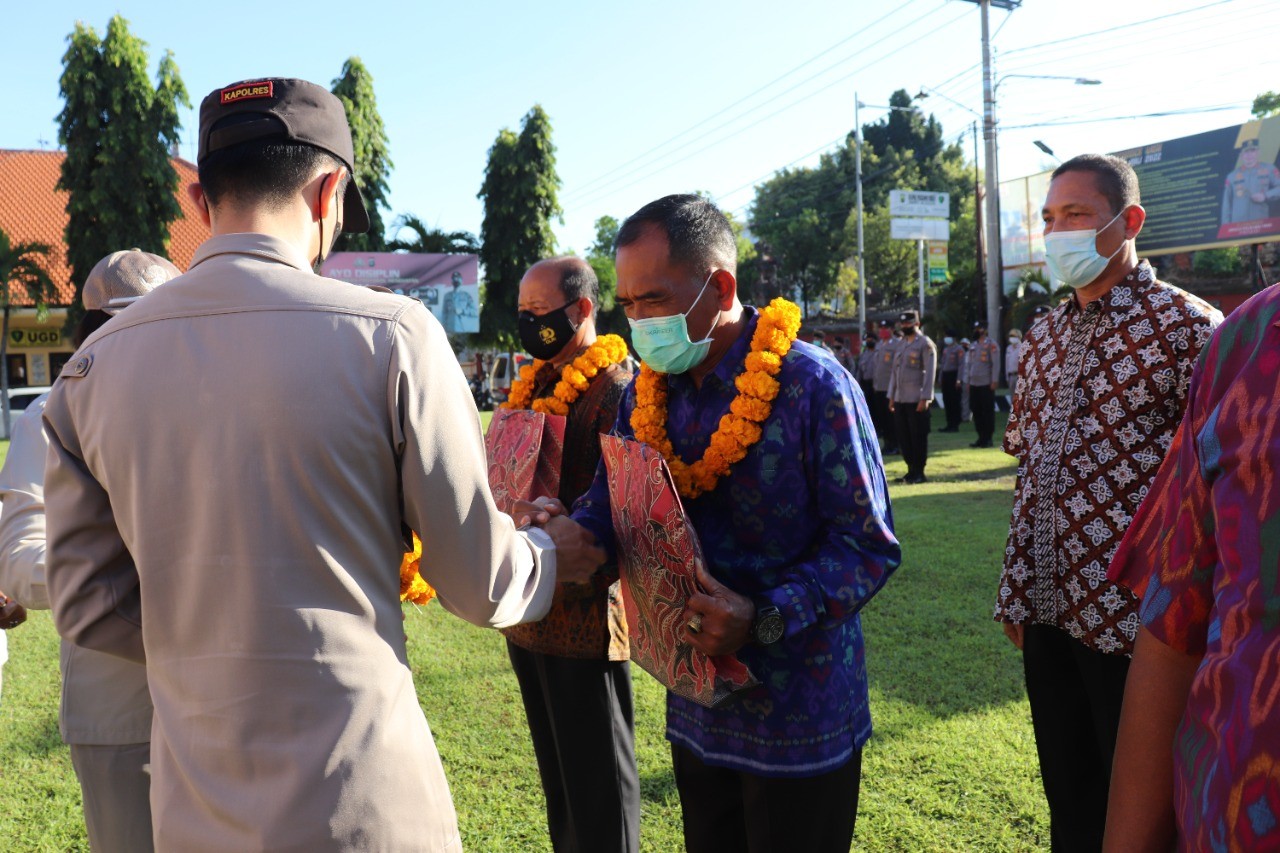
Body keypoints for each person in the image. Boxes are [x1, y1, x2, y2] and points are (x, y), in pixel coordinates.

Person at [42, 77, 602, 852]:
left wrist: (212, 635)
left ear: (200, 199)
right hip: (363, 801)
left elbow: (85, 600)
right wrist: (549, 550)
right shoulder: (393, 336)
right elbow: (477, 580)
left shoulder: (91, 369)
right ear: (330, 190)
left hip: (196, 806)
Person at [532, 194, 900, 853]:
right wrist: (567, 533)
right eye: (628, 304)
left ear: (720, 287)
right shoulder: (645, 392)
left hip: (800, 716)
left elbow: (866, 546)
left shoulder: (814, 386)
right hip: (698, 709)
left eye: (654, 299)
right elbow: (612, 499)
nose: (639, 321)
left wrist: (762, 615)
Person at [993, 153, 1220, 852]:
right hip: (1049, 607)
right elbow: (1031, 469)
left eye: (1077, 215)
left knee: (1144, 813)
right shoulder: (1041, 335)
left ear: (1130, 221)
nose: (1056, 232)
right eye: (1048, 218)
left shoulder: (1191, 328)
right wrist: (1016, 587)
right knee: (1070, 794)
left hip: (1143, 623)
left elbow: (1219, 488)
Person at [0, 248, 180, 852]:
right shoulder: (48, 416)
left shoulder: (207, 406)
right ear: (97, 332)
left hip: (224, 694)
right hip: (120, 707)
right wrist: (137, 574)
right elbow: (19, 559)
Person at [1103, 282, 1280, 852]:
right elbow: (1172, 629)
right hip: (1081, 598)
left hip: (1113, 615)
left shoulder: (1188, 322)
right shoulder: (1250, 341)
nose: (1058, 238)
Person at [503, 256, 639, 853]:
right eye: (522, 312)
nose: (529, 324)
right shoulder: (533, 383)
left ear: (582, 308)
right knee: (559, 781)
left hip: (588, 620)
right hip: (529, 607)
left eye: (539, 311)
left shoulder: (618, 388)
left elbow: (624, 499)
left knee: (598, 785)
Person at [887, 310, 937, 484]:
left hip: (916, 398)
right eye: (903, 324)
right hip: (900, 398)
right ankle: (910, 470)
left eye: (908, 323)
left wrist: (926, 398)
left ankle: (919, 472)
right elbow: (895, 372)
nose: (905, 326)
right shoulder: (901, 344)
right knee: (904, 437)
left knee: (918, 436)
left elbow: (930, 372)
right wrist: (891, 396)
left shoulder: (925, 344)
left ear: (917, 324)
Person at [1220, 137, 1280, 225]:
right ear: (1241, 155)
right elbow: (1226, 204)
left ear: (1258, 152)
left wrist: (1265, 195)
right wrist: (1225, 225)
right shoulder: (1231, 176)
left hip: (1261, 224)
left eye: (1253, 151)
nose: (1249, 155)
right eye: (1246, 152)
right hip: (1238, 226)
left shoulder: (1269, 169)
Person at [966, 321, 999, 448]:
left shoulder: (991, 344)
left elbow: (995, 364)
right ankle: (980, 437)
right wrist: (968, 380)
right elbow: (969, 364)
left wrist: (994, 380)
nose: (976, 331)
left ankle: (988, 438)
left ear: (984, 330)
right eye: (975, 328)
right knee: (976, 410)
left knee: (987, 411)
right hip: (974, 383)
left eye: (978, 328)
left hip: (986, 383)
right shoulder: (973, 345)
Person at [872, 322, 902, 455]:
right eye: (881, 328)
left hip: (890, 388)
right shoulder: (879, 345)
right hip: (879, 387)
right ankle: (887, 444)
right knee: (883, 419)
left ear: (892, 329)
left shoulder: (897, 344)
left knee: (892, 419)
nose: (882, 331)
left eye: (885, 328)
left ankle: (896, 444)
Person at [938, 329, 963, 432]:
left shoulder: (959, 349)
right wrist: (940, 378)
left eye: (948, 336)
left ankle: (955, 425)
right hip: (946, 376)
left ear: (954, 338)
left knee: (954, 401)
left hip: (954, 375)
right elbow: (943, 364)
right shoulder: (946, 349)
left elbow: (961, 365)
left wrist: (959, 379)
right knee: (947, 400)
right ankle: (949, 424)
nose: (946, 338)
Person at [856, 337, 877, 411]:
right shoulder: (864, 354)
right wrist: (857, 383)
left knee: (877, 406)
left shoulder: (878, 353)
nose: (868, 342)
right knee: (868, 404)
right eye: (867, 340)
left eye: (870, 340)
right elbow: (860, 370)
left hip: (876, 384)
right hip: (866, 383)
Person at [1004, 328, 1023, 398]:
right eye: (1010, 336)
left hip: (1019, 376)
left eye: (1013, 336)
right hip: (1010, 376)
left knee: (1020, 397)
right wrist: (1007, 377)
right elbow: (1007, 363)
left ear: (1018, 337)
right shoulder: (1008, 348)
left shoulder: (1022, 347)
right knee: (1012, 398)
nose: (1012, 338)